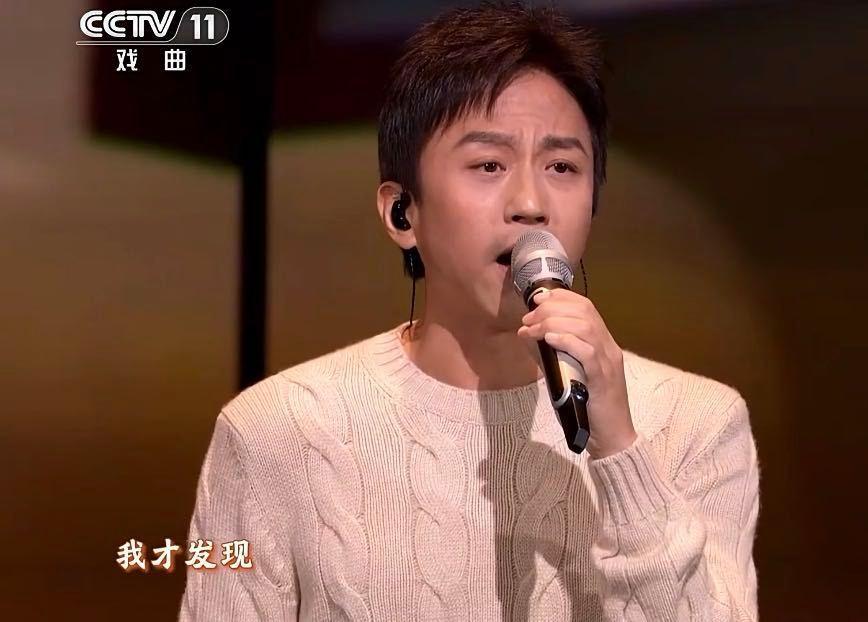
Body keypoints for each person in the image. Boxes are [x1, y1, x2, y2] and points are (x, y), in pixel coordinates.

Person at [179, 3, 760, 620]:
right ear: (402, 212)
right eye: (489, 165)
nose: (531, 203)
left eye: (562, 167)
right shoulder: (274, 430)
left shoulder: (699, 424)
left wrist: (618, 446)